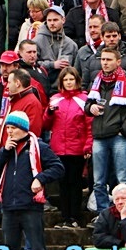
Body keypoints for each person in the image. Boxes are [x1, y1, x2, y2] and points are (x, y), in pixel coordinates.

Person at [0, 111, 64, 250]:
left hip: (30, 206)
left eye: (13, 128)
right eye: (7, 127)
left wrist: (40, 178)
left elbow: (58, 167)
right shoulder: (6, 148)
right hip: (8, 206)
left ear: (22, 128)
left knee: (38, 249)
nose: (9, 131)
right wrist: (4, 151)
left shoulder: (38, 146)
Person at [85, 48, 126, 211]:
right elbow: (87, 104)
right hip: (99, 136)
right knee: (98, 181)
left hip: (118, 136)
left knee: (123, 178)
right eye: (103, 59)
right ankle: (103, 214)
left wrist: (124, 130)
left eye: (109, 60)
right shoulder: (96, 81)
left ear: (118, 62)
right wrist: (91, 107)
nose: (105, 63)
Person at [43, 67, 92, 228]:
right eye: (66, 80)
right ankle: (65, 217)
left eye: (71, 79)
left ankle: (75, 217)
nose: (69, 82)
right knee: (63, 184)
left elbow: (89, 125)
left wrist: (87, 146)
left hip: (77, 148)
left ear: (77, 81)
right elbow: (46, 124)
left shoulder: (84, 99)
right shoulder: (55, 99)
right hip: (59, 148)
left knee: (75, 183)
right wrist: (49, 113)